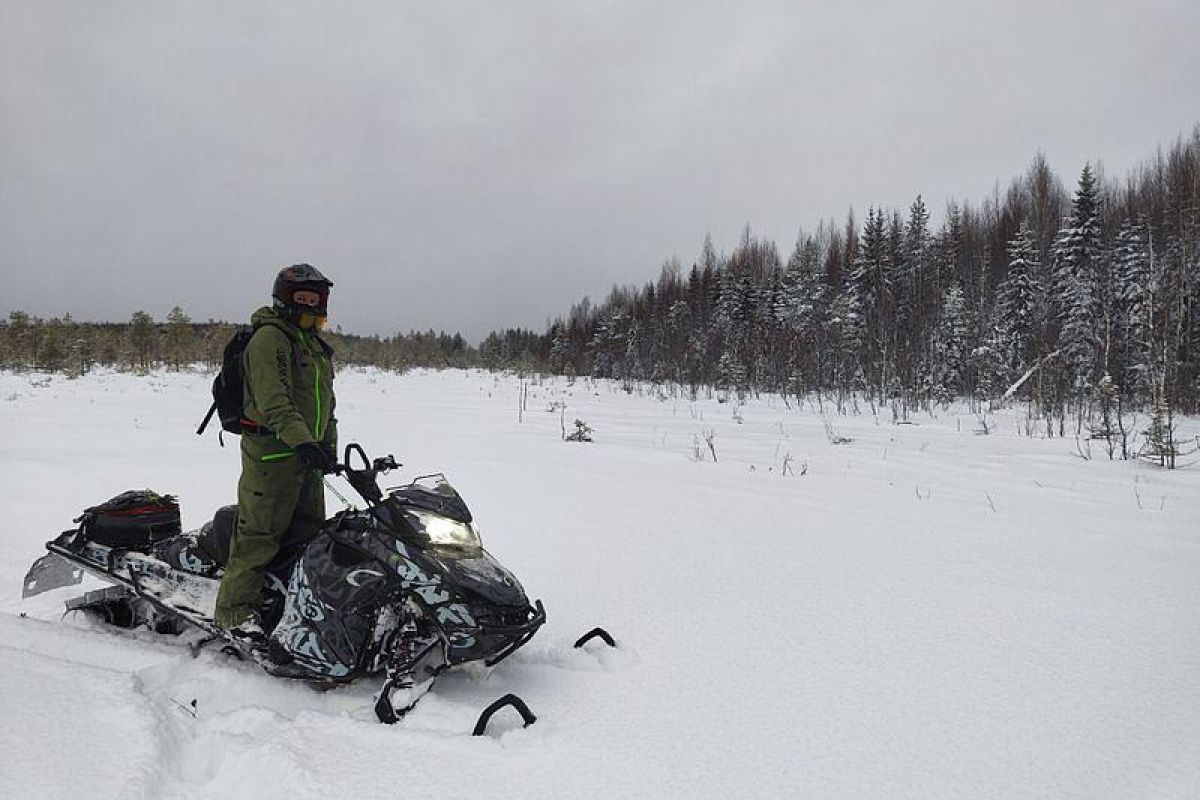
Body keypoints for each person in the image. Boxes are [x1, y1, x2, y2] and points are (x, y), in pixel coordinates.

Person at [213, 263, 338, 641]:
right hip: (271, 455)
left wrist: (327, 450)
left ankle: (288, 603)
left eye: (315, 299)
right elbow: (274, 401)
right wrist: (303, 442)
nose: (310, 306)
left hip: (307, 457)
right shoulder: (271, 339)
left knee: (308, 537)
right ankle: (234, 616)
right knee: (259, 538)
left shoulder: (313, 345)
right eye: (302, 299)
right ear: (283, 298)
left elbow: (325, 405)